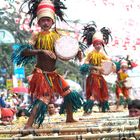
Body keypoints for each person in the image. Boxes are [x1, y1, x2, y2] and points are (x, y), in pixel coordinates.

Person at [12, 0, 83, 130]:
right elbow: (25, 51)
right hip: (41, 74)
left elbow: (65, 50)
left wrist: (76, 52)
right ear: (38, 22)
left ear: (52, 21)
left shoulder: (57, 36)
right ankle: (28, 125)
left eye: (48, 20)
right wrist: (40, 50)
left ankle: (69, 117)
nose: (45, 23)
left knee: (68, 93)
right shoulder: (36, 36)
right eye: (43, 20)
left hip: (54, 73)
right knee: (43, 99)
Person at [80, 21, 115, 113]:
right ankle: (87, 109)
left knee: (103, 94)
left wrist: (112, 65)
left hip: (100, 77)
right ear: (93, 44)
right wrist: (88, 65)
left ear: (102, 44)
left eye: (100, 44)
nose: (98, 45)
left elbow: (109, 61)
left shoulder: (103, 54)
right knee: (93, 94)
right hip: (93, 77)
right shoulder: (91, 53)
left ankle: (103, 109)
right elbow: (86, 62)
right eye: (96, 44)